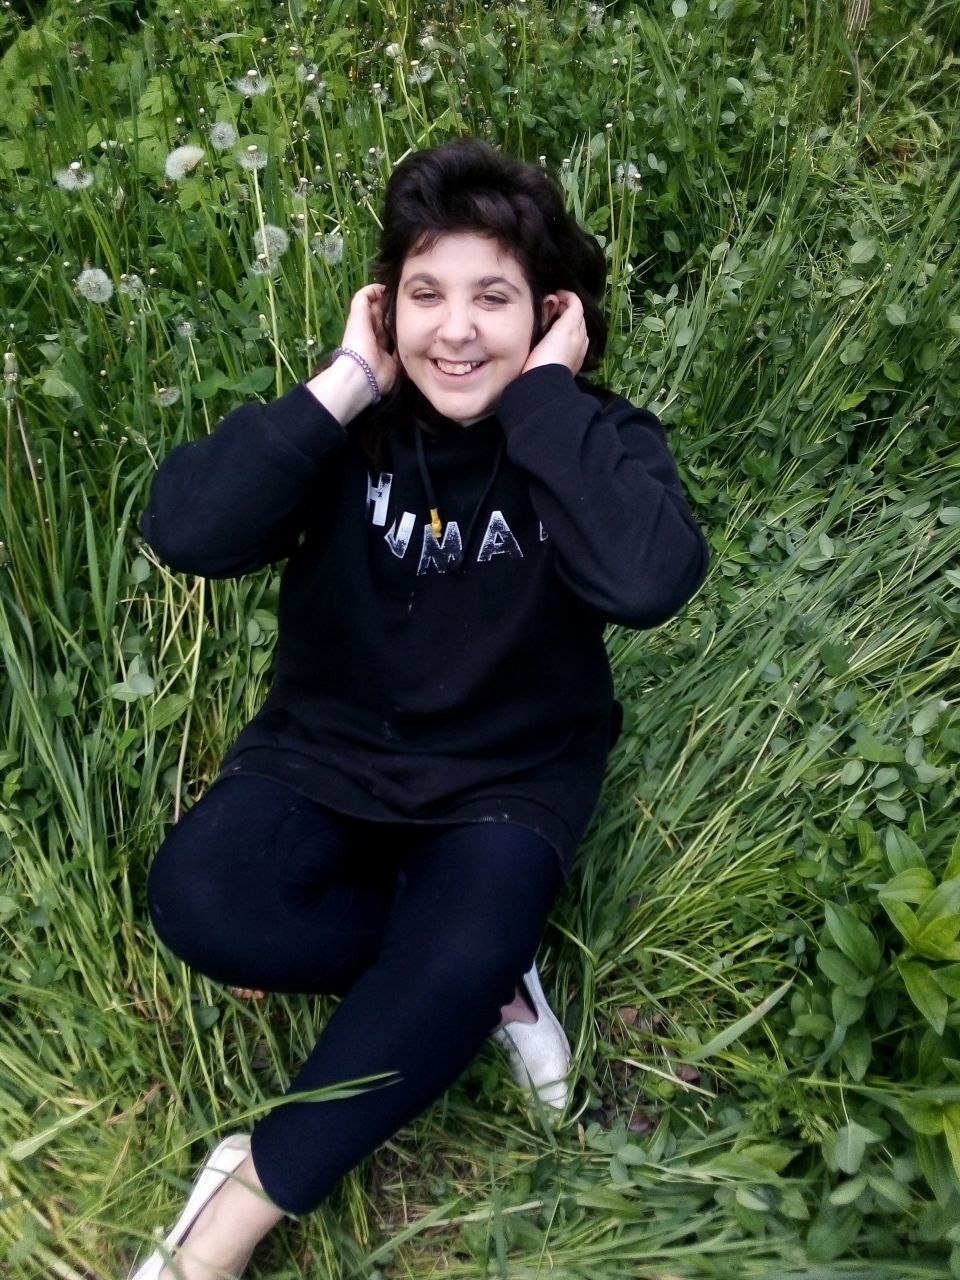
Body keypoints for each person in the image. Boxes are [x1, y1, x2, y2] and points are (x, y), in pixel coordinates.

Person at [129, 135, 710, 1280]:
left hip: (504, 778)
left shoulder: (592, 439)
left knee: (461, 940)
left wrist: (544, 399)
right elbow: (186, 530)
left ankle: (228, 1219)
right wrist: (346, 381)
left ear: (551, 313)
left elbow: (650, 580)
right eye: (425, 293)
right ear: (385, 307)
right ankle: (475, 978)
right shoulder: (350, 429)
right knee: (202, 898)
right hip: (328, 752)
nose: (455, 329)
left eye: (493, 297)